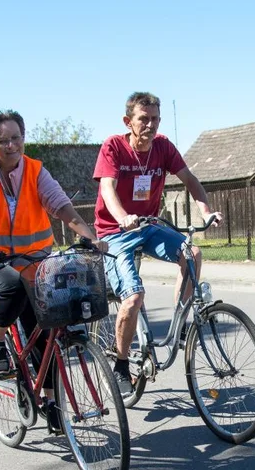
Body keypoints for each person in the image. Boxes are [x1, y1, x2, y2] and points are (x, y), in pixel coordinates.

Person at [0, 110, 106, 430]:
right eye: (4, 140)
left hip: (32, 259)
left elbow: (60, 204)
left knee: (47, 326)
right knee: (12, 288)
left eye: (17, 137)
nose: (12, 145)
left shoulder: (35, 170)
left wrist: (91, 237)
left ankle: (51, 402)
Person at [94, 91, 221, 395]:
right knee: (133, 299)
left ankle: (180, 324)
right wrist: (123, 216)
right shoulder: (113, 146)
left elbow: (189, 178)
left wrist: (206, 210)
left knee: (192, 253)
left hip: (149, 226)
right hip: (115, 233)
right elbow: (108, 188)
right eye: (143, 119)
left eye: (155, 119)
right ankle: (122, 363)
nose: (150, 125)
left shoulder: (163, 147)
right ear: (129, 121)